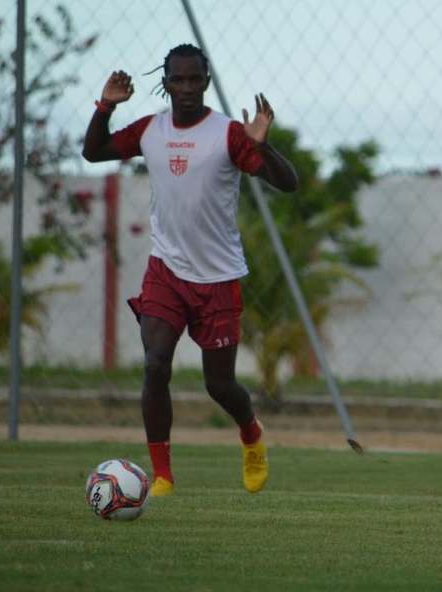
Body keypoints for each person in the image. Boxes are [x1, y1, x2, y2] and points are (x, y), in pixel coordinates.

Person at [82, 44, 299, 496]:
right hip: (166, 271)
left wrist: (265, 144)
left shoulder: (228, 134)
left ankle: (251, 433)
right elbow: (94, 151)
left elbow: (287, 183)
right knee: (156, 364)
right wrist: (104, 106)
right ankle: (161, 475)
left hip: (218, 279)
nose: (185, 88)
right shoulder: (149, 130)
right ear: (165, 82)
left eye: (193, 79)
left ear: (206, 80)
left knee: (219, 384)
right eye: (176, 80)